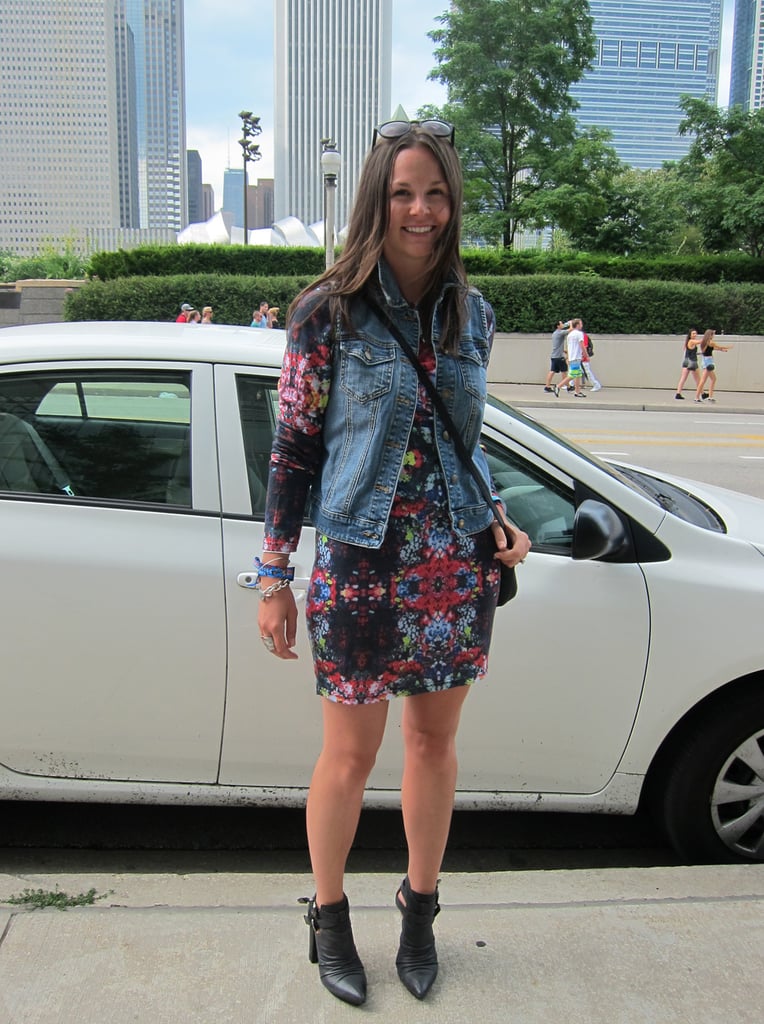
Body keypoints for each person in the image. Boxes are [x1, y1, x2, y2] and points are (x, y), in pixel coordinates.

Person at [256, 118, 531, 1007]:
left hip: (452, 564)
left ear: (454, 203)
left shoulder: (474, 314)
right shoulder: (324, 311)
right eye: (405, 192)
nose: (422, 210)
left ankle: (420, 911)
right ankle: (329, 916)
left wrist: (499, 518)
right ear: (377, 200)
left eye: (437, 192)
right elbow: (294, 452)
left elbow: (469, 443)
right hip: (362, 563)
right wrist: (274, 574)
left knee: (434, 746)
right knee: (348, 757)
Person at [694, 329, 732, 403]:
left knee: (713, 379)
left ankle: (710, 396)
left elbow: (712, 348)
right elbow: (718, 346)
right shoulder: (711, 342)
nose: (713, 336)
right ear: (710, 335)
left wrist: (721, 350)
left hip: (705, 361)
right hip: (708, 362)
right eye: (713, 334)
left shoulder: (705, 342)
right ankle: (697, 397)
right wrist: (728, 347)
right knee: (703, 380)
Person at [557, 318, 587, 397]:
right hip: (576, 357)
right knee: (573, 375)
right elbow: (582, 345)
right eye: (581, 324)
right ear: (577, 325)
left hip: (572, 357)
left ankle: (577, 392)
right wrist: (586, 354)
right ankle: (558, 386)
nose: (582, 325)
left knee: (577, 375)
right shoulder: (579, 334)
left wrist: (568, 357)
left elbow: (568, 347)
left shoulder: (570, 335)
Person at [543, 320, 571, 396]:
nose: (563, 324)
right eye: (561, 323)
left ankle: (547, 387)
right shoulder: (560, 333)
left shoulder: (555, 333)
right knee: (564, 371)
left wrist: (563, 350)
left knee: (552, 371)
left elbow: (558, 345)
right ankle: (568, 386)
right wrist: (571, 323)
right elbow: (570, 330)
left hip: (554, 356)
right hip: (559, 357)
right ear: (558, 326)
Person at [674, 329, 702, 399]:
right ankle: (702, 393)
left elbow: (691, 352)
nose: (695, 335)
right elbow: (700, 341)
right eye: (693, 334)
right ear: (690, 335)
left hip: (686, 361)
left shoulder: (689, 342)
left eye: (696, 333)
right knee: (698, 379)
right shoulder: (692, 341)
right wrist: (708, 336)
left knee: (683, 378)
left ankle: (678, 393)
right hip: (692, 362)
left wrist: (699, 353)